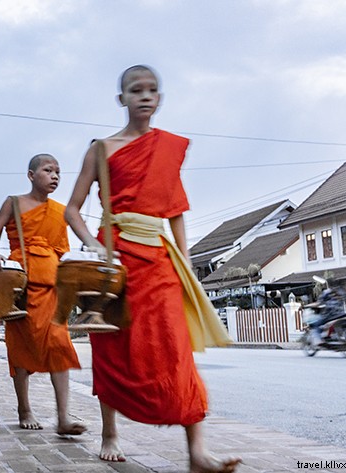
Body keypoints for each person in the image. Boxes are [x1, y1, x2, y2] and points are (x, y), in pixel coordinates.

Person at [63, 65, 240, 472]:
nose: (145, 96)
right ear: (121, 99)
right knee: (112, 347)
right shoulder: (101, 150)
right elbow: (73, 210)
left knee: (176, 349)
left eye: (152, 90)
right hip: (114, 259)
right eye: (135, 90)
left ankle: (197, 451)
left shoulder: (169, 148)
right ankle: (109, 431)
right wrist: (94, 246)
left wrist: (187, 264)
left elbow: (176, 211)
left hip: (159, 260)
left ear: (159, 98)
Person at [0, 154, 86, 435]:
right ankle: (24, 407)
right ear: (31, 175)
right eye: (47, 170)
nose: (54, 176)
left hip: (52, 285)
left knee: (59, 346)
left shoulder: (61, 211)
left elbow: (60, 251)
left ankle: (63, 417)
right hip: (21, 285)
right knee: (21, 349)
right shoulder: (13, 203)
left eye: (58, 172)